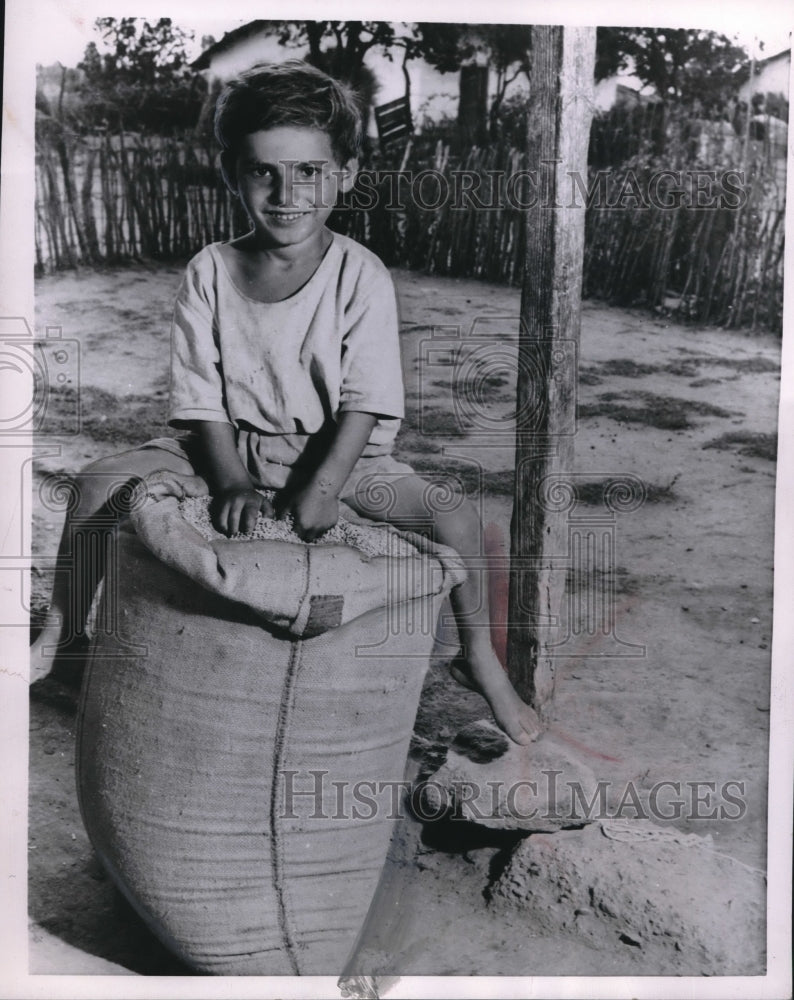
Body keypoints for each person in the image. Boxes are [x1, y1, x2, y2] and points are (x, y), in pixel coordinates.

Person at [31, 61, 540, 745]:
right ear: (232, 173)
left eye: (308, 172)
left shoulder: (359, 275)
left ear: (346, 173)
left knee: (459, 517)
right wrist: (231, 479)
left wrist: (325, 487)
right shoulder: (210, 271)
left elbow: (364, 403)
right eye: (263, 171)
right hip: (227, 445)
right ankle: (63, 637)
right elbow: (200, 396)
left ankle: (482, 661)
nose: (286, 193)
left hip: (342, 457)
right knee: (97, 484)